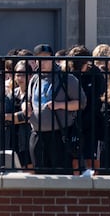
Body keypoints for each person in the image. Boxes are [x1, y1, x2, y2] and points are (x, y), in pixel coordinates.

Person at [26, 44, 86, 174]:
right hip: (37, 134)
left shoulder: (67, 79)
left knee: (60, 176)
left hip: (59, 135)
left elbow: (81, 103)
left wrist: (60, 105)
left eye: (46, 58)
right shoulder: (34, 79)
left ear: (52, 59)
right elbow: (28, 100)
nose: (43, 62)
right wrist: (26, 106)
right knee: (40, 176)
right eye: (39, 59)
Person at [67, 44, 106, 170]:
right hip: (72, 123)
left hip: (92, 123)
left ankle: (94, 185)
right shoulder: (69, 75)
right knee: (74, 159)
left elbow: (98, 101)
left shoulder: (96, 74)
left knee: (91, 160)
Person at [4, 60, 33, 168]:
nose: (19, 77)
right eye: (17, 74)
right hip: (12, 138)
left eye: (22, 74)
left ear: (30, 76)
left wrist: (10, 117)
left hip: (27, 138)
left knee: (29, 168)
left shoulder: (33, 93)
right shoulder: (12, 93)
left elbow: (29, 116)